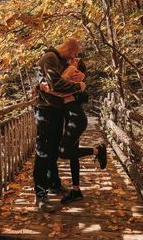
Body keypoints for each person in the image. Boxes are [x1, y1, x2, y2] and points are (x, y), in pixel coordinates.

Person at [40, 57, 107, 204]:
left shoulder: (73, 75)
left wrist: (45, 88)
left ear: (77, 66)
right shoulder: (72, 76)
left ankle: (97, 151)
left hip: (76, 117)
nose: (72, 59)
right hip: (72, 117)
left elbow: (60, 91)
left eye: (75, 60)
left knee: (63, 152)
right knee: (72, 155)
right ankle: (76, 191)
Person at [33, 38, 85, 212]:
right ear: (70, 50)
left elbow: (59, 84)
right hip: (46, 112)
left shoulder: (62, 62)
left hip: (57, 111)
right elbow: (57, 83)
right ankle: (40, 195)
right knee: (43, 152)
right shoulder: (50, 58)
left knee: (54, 150)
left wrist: (80, 79)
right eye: (75, 54)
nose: (75, 58)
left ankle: (53, 183)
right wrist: (79, 86)